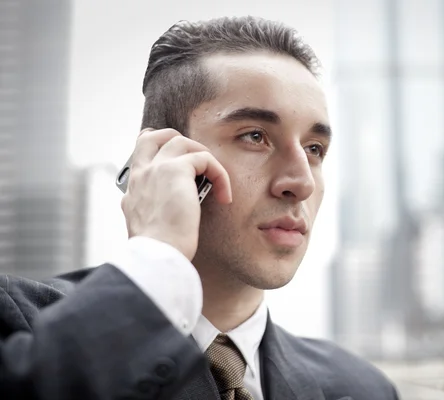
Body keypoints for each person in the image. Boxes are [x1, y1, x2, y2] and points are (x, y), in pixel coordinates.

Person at [0, 16, 400, 400]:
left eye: (314, 149)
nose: (301, 182)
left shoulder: (364, 388)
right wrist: (157, 254)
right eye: (255, 136)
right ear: (157, 159)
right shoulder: (16, 324)